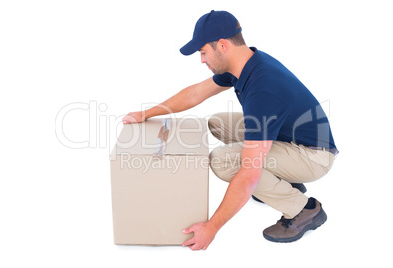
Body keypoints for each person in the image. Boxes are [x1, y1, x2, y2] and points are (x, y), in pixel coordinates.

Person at [122, 10, 338, 250]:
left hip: (313, 156)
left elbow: (249, 174)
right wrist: (147, 113)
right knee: (217, 122)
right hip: (291, 137)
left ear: (222, 45)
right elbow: (196, 93)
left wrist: (211, 227)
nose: (202, 59)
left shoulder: (263, 89)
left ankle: (303, 210)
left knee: (223, 162)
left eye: (203, 52)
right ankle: (281, 180)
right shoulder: (246, 63)